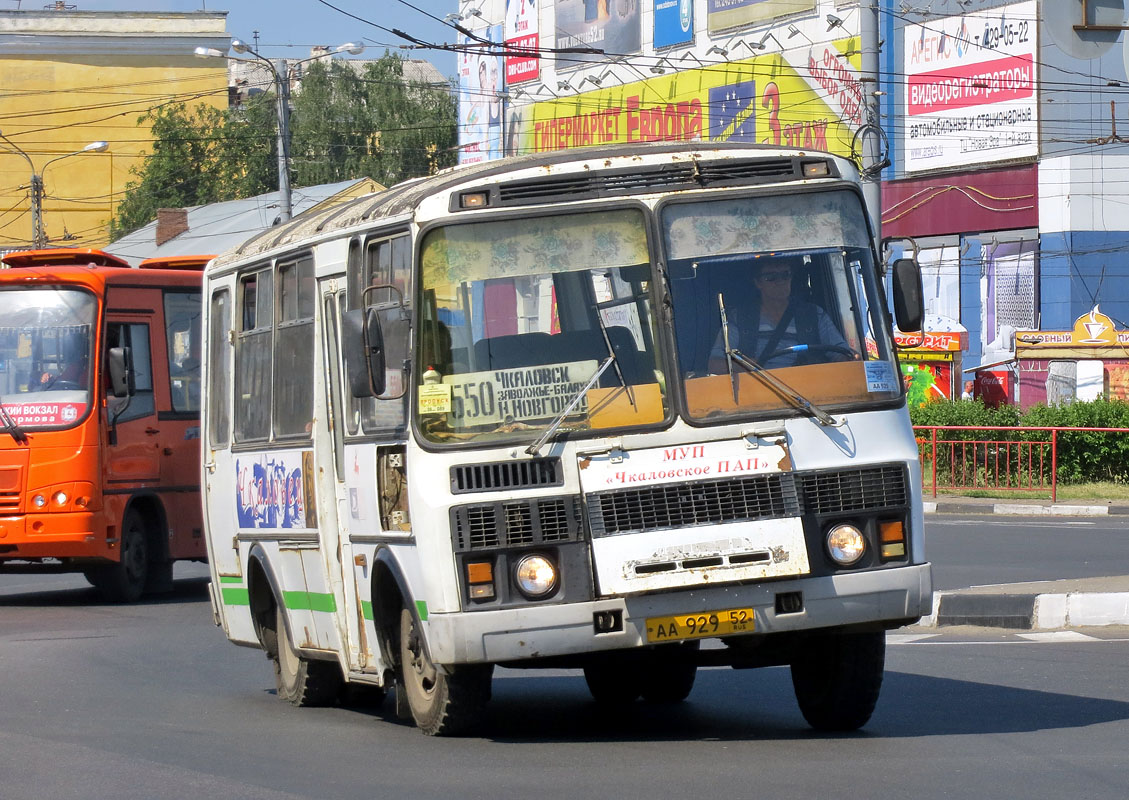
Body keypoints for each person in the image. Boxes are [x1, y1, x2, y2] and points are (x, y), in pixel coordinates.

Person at [708, 259, 852, 372]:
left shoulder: (814, 314)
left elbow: (843, 354)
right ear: (758, 283)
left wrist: (849, 360)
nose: (780, 282)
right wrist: (748, 366)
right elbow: (715, 364)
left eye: (785, 275)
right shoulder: (739, 318)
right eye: (771, 277)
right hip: (757, 394)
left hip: (810, 390)